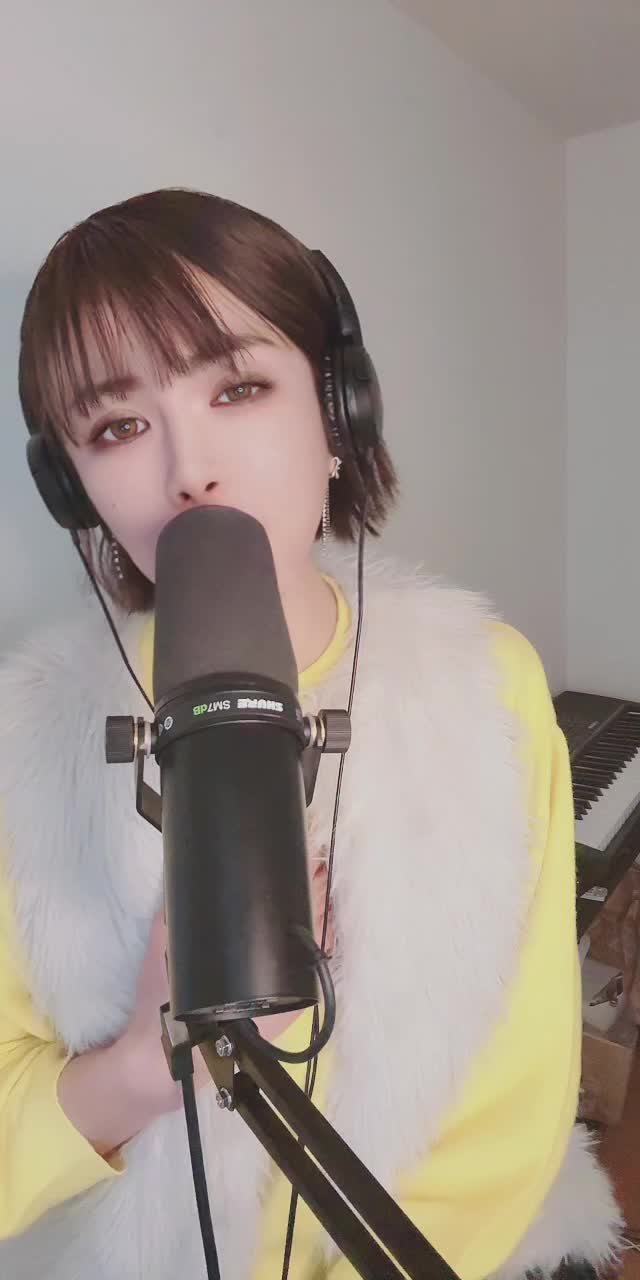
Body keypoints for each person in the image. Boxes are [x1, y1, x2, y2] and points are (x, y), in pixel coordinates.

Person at [0, 187, 624, 1280]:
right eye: (117, 426)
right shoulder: (23, 737)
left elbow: (512, 1099)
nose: (187, 467)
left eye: (237, 387)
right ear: (72, 485)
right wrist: (142, 1068)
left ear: (339, 409)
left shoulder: (488, 681)